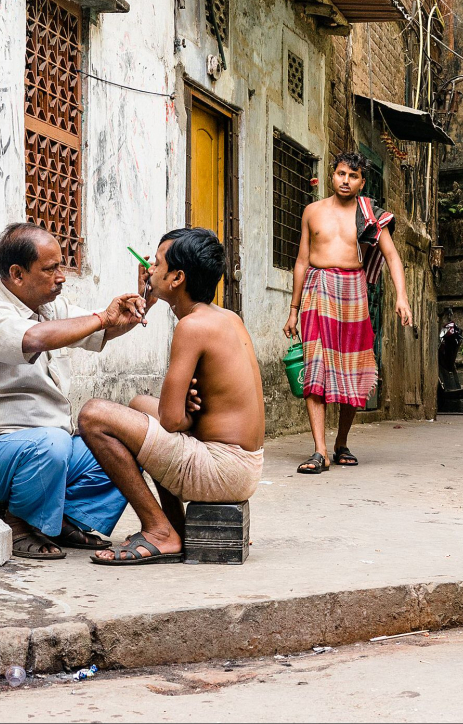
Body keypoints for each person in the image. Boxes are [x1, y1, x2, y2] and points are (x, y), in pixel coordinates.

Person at [77, 228, 265, 564]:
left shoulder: (191, 327)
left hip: (222, 470)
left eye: (158, 263)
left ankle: (159, 531)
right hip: (243, 466)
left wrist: (185, 416)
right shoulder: (225, 317)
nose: (149, 269)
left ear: (177, 278)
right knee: (138, 405)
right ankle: (175, 525)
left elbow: (172, 420)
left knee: (93, 415)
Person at [0, 223, 145, 559]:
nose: (61, 277)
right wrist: (102, 318)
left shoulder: (50, 307)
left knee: (130, 443)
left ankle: (63, 519)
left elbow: (99, 330)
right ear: (17, 274)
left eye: (61, 266)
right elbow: (34, 338)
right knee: (52, 443)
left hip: (50, 447)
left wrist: (143, 301)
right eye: (50, 269)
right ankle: (19, 524)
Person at [282, 152, 411, 474]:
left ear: (361, 182)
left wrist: (402, 297)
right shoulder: (312, 211)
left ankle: (341, 442)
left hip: (354, 291)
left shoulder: (369, 214)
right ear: (333, 175)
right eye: (341, 173)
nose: (345, 180)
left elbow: (392, 256)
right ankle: (319, 451)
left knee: (351, 370)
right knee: (315, 368)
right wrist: (293, 310)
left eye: (353, 176)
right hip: (317, 290)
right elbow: (301, 261)